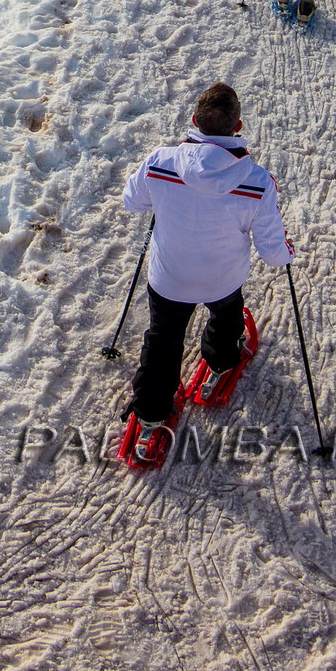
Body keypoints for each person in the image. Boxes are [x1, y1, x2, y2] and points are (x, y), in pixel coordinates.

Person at [121, 81, 292, 455]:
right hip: (222, 279)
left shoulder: (160, 162)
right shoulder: (258, 183)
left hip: (169, 279)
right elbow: (273, 251)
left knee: (162, 340)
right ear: (238, 127)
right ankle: (220, 361)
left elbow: (131, 201)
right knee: (227, 315)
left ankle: (150, 416)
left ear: (194, 120)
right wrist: (287, 252)